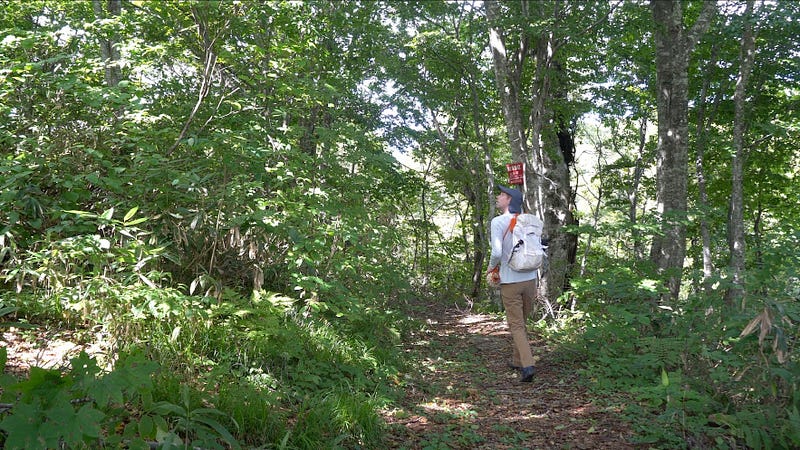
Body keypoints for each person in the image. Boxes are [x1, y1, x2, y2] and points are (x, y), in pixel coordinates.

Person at [487, 185, 537, 382]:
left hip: (511, 281)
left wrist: (491, 268)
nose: (498, 197)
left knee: (516, 325)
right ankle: (518, 360)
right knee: (522, 323)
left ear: (509, 200)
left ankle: (527, 365)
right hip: (530, 278)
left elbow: (497, 253)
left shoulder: (498, 221)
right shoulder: (530, 220)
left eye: (502, 195)